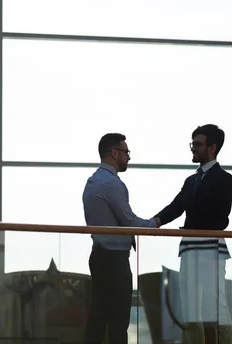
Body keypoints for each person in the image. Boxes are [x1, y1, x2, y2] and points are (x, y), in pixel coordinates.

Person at [153, 124, 232, 344]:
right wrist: (155, 222)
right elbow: (176, 206)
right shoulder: (191, 181)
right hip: (190, 249)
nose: (193, 148)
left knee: (217, 307)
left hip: (210, 249)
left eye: (198, 144)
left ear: (212, 148)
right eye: (193, 144)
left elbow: (221, 219)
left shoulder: (224, 178)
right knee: (190, 311)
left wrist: (192, 228)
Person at [83, 133, 161, 344]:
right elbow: (129, 220)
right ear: (114, 153)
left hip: (99, 256)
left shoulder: (93, 181)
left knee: (99, 316)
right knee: (118, 320)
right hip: (114, 260)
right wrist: (154, 224)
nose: (128, 157)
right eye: (126, 152)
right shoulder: (111, 184)